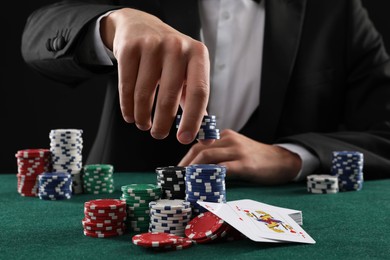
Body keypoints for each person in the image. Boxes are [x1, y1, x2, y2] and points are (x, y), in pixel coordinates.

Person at [21, 0, 390, 185]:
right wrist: (111, 23)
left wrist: (292, 157)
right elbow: (37, 37)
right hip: (131, 211)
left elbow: (384, 131)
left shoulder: (336, 10)